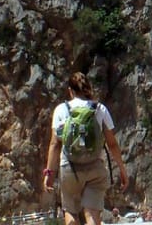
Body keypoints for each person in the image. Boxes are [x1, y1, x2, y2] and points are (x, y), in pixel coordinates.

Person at [43, 72, 128, 225]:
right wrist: (122, 170)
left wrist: (49, 173)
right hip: (95, 167)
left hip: (69, 168)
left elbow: (54, 144)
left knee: (70, 211)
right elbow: (112, 144)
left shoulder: (61, 110)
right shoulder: (99, 109)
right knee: (92, 215)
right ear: (87, 87)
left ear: (70, 90)